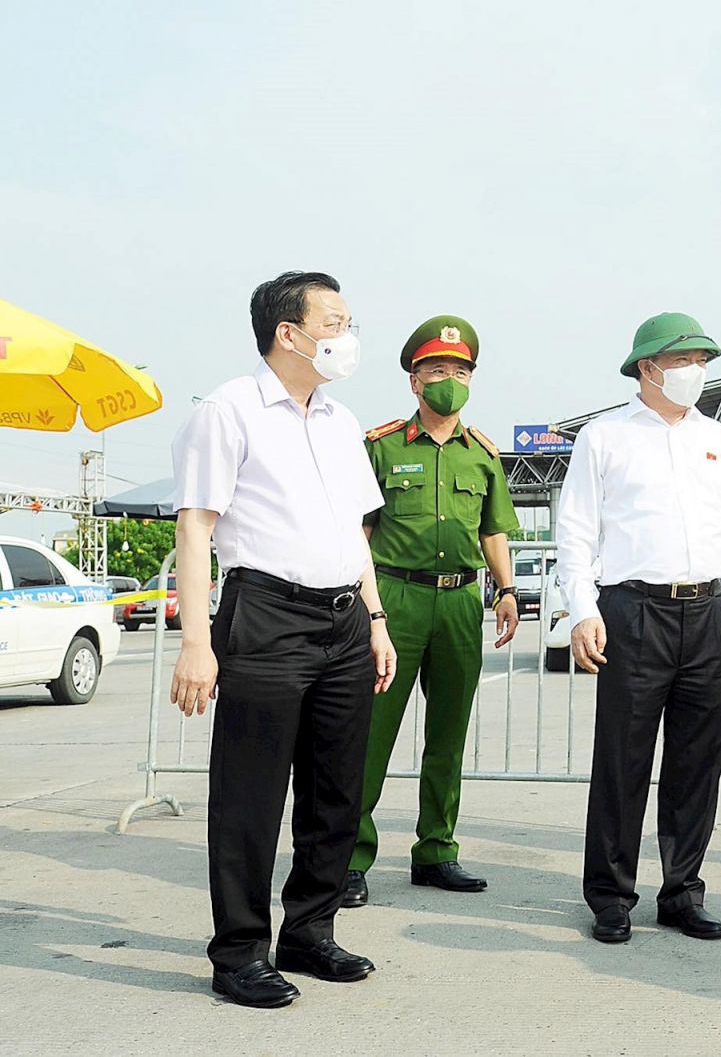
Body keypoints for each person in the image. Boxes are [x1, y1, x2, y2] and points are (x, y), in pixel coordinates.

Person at [169, 271, 396, 1008]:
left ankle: (310, 932)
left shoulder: (339, 420)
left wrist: (375, 617)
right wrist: (197, 642)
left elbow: (356, 532)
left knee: (336, 788)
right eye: (334, 319)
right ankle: (238, 953)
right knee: (250, 794)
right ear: (288, 333)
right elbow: (196, 526)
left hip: (342, 619)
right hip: (265, 614)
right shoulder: (228, 410)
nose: (347, 332)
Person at [555, 311, 721, 945]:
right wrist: (584, 610)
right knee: (623, 759)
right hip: (632, 612)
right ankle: (610, 895)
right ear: (647, 367)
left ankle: (683, 891)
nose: (696, 372)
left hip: (708, 612)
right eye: (684, 360)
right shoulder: (604, 438)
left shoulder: (717, 439)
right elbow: (576, 531)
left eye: (702, 362)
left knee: (698, 761)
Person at [343, 315, 522, 909]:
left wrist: (506, 589)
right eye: (438, 370)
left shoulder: (483, 456)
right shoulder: (382, 446)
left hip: (460, 603)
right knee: (371, 734)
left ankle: (437, 851)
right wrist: (366, 611)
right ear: (415, 381)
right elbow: (358, 534)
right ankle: (348, 858)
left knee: (448, 735)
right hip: (394, 600)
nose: (450, 380)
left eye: (460, 371)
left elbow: (494, 530)